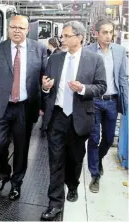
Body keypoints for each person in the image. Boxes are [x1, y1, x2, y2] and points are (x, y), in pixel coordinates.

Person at [40, 21, 107, 220]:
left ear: (79, 37)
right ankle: (55, 202)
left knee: (75, 158)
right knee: (55, 161)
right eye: (63, 36)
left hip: (79, 118)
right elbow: (46, 87)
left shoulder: (94, 60)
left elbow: (101, 87)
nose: (63, 39)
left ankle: (73, 185)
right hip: (58, 117)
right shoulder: (55, 58)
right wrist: (45, 87)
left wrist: (83, 89)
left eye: (67, 35)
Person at [0, 15, 47, 200]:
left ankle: (16, 183)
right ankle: (3, 174)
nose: (17, 30)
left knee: (21, 148)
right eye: (13, 27)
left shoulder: (39, 49)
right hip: (2, 106)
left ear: (28, 30)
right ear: (8, 29)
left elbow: (45, 78)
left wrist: (44, 94)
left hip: (25, 108)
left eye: (21, 28)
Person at [85, 19, 128, 193]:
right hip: (94, 101)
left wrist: (125, 103)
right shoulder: (88, 51)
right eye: (105, 32)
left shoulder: (119, 51)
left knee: (109, 139)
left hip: (112, 100)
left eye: (111, 32)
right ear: (96, 33)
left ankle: (98, 159)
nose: (109, 36)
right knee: (94, 138)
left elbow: (123, 78)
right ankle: (95, 174)